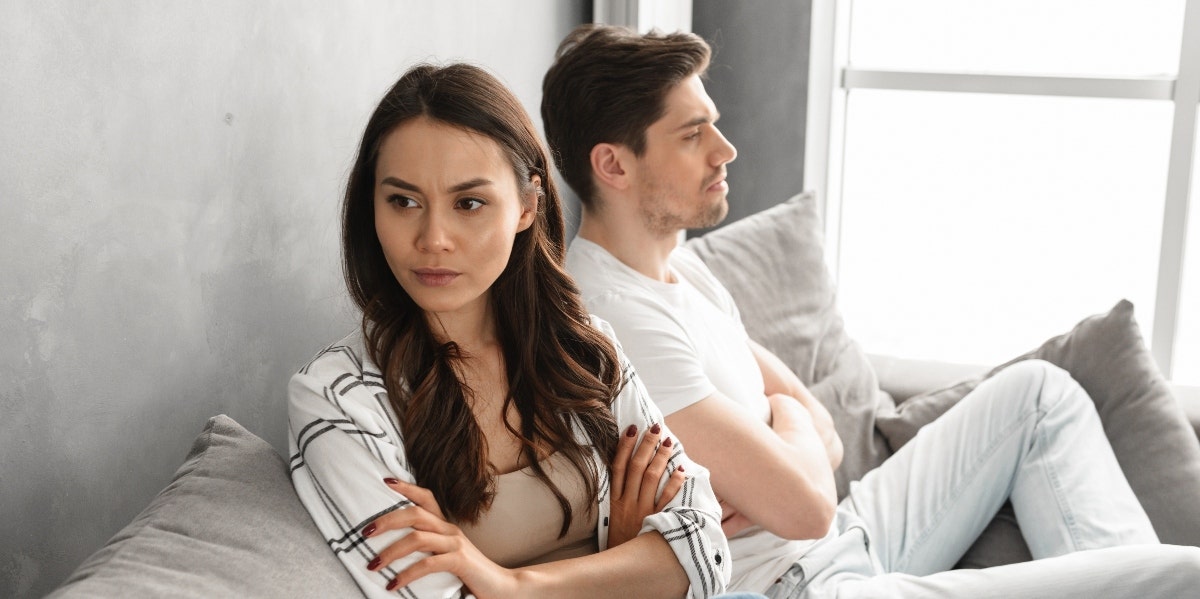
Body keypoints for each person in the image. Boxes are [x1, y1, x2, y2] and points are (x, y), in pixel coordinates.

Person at [541, 24, 1200, 598]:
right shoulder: (616, 319)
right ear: (614, 166)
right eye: (693, 135)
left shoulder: (684, 271)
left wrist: (785, 428)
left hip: (847, 532)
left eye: (713, 122)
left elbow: (810, 417)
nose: (725, 148)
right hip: (800, 583)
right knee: (1185, 575)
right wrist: (791, 451)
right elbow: (803, 503)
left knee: (1039, 393)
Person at [287, 62, 736, 599]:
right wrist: (620, 565)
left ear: (526, 207)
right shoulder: (338, 398)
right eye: (403, 201)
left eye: (469, 203)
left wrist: (510, 583)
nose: (433, 238)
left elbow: (707, 549)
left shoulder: (585, 349)